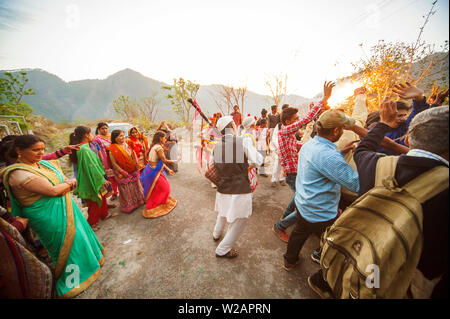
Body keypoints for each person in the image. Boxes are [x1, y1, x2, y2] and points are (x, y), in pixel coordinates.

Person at [308, 100, 449, 299]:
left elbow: (364, 148)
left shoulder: (377, 165)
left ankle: (330, 281)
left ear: (407, 139)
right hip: (401, 277)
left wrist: (383, 123)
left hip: (358, 245)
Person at [0, 134, 104, 298]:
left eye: (42, 149)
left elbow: (59, 180)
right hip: (47, 217)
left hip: (62, 208)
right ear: (19, 151)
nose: (40, 153)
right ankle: (73, 280)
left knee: (77, 238)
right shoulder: (18, 173)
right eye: (35, 150)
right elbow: (53, 191)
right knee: (63, 246)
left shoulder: (39, 164)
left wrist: (65, 183)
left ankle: (90, 264)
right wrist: (70, 183)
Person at [283, 109, 359, 270]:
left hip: (303, 203)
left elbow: (320, 163)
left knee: (299, 232)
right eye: (342, 128)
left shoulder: (309, 145)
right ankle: (324, 268)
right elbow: (355, 184)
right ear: (337, 130)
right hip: (320, 212)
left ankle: (289, 260)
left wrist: (340, 152)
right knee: (334, 241)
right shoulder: (329, 156)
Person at [272, 82, 334, 243]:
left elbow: (299, 145)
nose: (298, 121)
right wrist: (324, 99)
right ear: (287, 122)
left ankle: (284, 217)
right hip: (292, 175)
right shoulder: (285, 131)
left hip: (295, 173)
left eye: (298, 119)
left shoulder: (289, 135)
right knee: (303, 206)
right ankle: (280, 226)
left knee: (297, 199)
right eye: (295, 119)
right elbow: (306, 120)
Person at [211, 116, 263, 258]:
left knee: (222, 211)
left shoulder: (215, 146)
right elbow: (257, 160)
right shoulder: (243, 142)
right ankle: (222, 250)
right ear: (233, 126)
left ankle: (216, 233)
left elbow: (211, 166)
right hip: (240, 188)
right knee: (240, 220)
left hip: (222, 187)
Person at [70, 126, 112, 231]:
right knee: (94, 201)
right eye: (91, 133)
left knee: (102, 197)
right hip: (92, 179)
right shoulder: (84, 149)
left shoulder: (84, 147)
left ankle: (104, 214)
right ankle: (92, 223)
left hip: (95, 177)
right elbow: (92, 167)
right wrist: (102, 179)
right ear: (86, 135)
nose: (92, 135)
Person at [379, 82, 430, 155]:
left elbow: (418, 109)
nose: (403, 119)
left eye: (404, 115)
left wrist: (419, 97)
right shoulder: (376, 133)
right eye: (399, 116)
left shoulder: (405, 126)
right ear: (388, 114)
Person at [140, 131, 177, 218]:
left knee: (157, 189)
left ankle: (159, 201)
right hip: (153, 172)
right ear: (160, 138)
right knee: (165, 188)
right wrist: (176, 160)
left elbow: (160, 162)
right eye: (164, 138)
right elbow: (164, 161)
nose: (165, 139)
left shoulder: (155, 145)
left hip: (152, 170)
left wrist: (168, 169)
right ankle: (155, 204)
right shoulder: (158, 148)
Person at [108, 130, 145, 214]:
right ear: (115, 138)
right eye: (120, 136)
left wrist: (136, 163)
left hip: (133, 169)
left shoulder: (127, 144)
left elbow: (133, 154)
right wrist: (123, 172)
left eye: (123, 135)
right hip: (122, 172)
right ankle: (129, 206)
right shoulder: (112, 149)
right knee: (126, 189)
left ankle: (139, 201)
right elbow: (114, 164)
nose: (123, 137)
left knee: (136, 185)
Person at [93, 122, 119, 201]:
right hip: (106, 159)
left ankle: (123, 190)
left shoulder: (112, 136)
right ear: (99, 129)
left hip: (115, 156)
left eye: (106, 128)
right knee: (111, 177)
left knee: (119, 174)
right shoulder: (97, 139)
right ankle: (114, 192)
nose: (104, 130)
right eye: (102, 129)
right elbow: (96, 151)